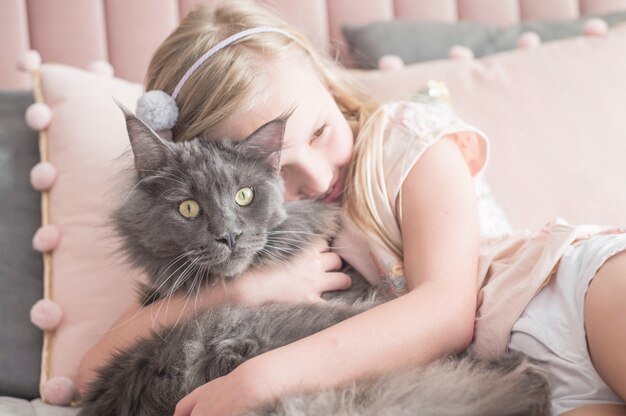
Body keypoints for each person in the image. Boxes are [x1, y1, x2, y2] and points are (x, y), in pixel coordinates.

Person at [77, 2, 626, 415]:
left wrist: (260, 380)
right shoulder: (257, 237)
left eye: (318, 132)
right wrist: (240, 290)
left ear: (327, 83)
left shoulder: (407, 140)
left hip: (566, 294)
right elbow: (91, 370)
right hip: (526, 376)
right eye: (277, 169)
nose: (315, 176)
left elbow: (447, 311)